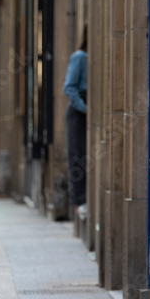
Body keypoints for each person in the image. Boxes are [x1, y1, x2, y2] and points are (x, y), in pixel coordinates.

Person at [63, 25, 88, 216]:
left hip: (88, 111)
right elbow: (69, 87)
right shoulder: (80, 57)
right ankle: (80, 201)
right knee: (77, 154)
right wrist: (86, 109)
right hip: (78, 113)